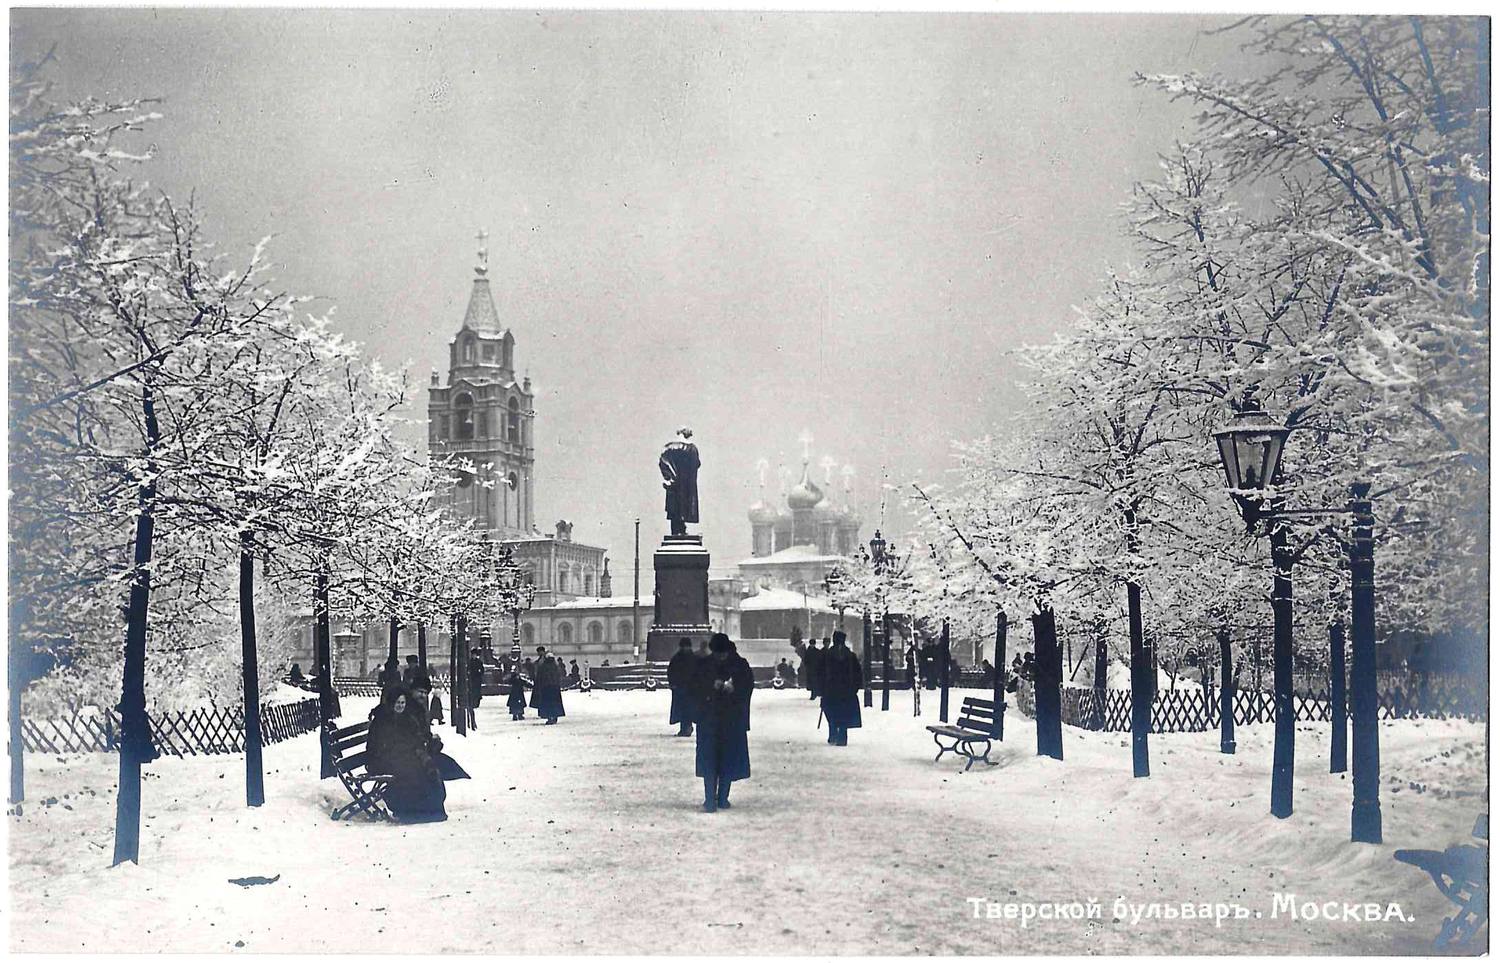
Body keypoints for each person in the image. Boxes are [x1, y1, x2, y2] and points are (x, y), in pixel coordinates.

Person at [367, 686, 447, 822]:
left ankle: (430, 810)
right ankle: (408, 811)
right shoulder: (382, 720)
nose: (400, 706)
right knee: (411, 771)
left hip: (401, 757)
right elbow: (378, 745)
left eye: (403, 703)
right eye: (397, 703)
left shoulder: (407, 719)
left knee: (427, 769)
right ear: (392, 703)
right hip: (381, 760)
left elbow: (415, 739)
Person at [693, 634, 753, 813]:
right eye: (717, 653)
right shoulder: (704, 665)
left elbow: (748, 687)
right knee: (709, 760)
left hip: (730, 720)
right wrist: (712, 686)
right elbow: (695, 687)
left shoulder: (740, 665)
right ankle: (710, 798)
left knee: (727, 760)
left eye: (722, 654)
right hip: (709, 720)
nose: (720, 657)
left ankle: (723, 798)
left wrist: (733, 689)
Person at [407, 679, 470, 781]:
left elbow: (423, 734)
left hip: (420, 752)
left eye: (425, 693)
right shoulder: (406, 709)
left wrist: (432, 740)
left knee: (449, 765)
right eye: (420, 692)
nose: (422, 695)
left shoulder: (421, 710)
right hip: (410, 754)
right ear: (412, 691)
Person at [819, 630, 863, 746]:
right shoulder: (850, 655)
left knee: (832, 712)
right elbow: (858, 673)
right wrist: (855, 687)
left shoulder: (828, 655)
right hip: (845, 690)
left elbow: (821, 673)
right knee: (843, 714)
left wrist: (821, 688)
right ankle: (841, 736)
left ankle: (833, 734)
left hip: (832, 690)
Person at [658, 426, 701, 537]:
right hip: (686, 485)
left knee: (674, 509)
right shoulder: (692, 449)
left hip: (673, 485)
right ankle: (681, 529)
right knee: (683, 508)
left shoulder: (668, 448)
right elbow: (696, 464)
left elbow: (662, 463)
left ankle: (677, 529)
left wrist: (669, 478)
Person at [668, 638, 698, 737]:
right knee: (683, 709)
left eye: (687, 646)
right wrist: (672, 683)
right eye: (685, 646)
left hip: (689, 688)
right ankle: (685, 728)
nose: (686, 648)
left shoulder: (684, 658)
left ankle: (686, 727)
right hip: (681, 688)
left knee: (687, 709)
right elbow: (671, 672)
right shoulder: (678, 658)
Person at [530, 646, 566, 724]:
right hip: (554, 687)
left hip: (546, 688)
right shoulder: (555, 666)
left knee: (548, 704)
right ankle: (555, 716)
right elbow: (558, 675)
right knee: (555, 703)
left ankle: (550, 717)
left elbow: (540, 676)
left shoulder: (543, 665)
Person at [467, 647, 485, 730]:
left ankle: (476, 701)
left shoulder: (479, 662)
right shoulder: (470, 662)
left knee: (477, 691)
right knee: (472, 691)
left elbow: (482, 670)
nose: (473, 656)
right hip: (472, 680)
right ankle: (473, 701)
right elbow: (467, 670)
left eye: (474, 654)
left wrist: (479, 673)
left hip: (476, 679)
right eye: (472, 654)